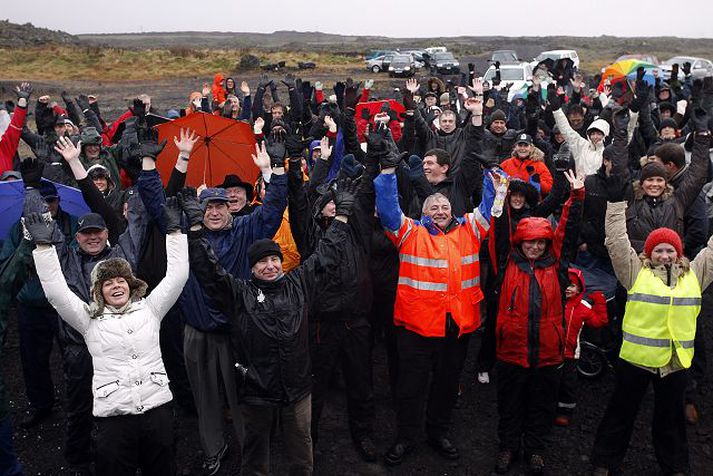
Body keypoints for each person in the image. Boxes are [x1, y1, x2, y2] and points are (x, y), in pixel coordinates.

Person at [185, 177, 358, 476]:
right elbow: (208, 272)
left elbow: (327, 254)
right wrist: (197, 230)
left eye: (274, 260)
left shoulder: (299, 283)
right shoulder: (239, 293)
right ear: (251, 269)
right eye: (262, 262)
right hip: (257, 390)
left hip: (298, 387)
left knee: (301, 451)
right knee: (255, 453)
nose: (270, 266)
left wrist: (341, 218)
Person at [26, 195, 188, 476]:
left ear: (131, 284)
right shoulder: (88, 320)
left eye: (121, 280)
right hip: (114, 419)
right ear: (98, 292)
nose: (115, 286)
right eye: (108, 283)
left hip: (157, 411)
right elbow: (56, 291)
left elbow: (177, 276)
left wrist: (175, 232)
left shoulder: (151, 309)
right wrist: (43, 247)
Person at [373, 133, 499, 465]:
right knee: (410, 388)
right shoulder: (409, 232)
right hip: (415, 328)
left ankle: (438, 432)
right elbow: (387, 210)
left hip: (456, 327)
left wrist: (491, 172)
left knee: (446, 386)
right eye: (435, 207)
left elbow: (489, 205)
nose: (441, 210)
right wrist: (387, 172)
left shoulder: (471, 229)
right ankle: (405, 436)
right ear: (425, 213)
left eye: (445, 206)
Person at [591, 146, 713, 475]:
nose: (663, 255)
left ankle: (675, 467)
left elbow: (712, 252)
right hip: (636, 360)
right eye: (657, 250)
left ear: (678, 252)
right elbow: (616, 242)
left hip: (674, 363)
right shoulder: (635, 273)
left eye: (669, 249)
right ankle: (603, 462)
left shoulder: (695, 275)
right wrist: (615, 205)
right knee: (621, 413)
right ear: (649, 253)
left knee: (670, 420)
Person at [491, 169, 584, 475]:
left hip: (547, 353)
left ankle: (535, 449)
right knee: (510, 404)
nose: (534, 247)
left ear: (546, 244)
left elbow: (567, 232)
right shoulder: (507, 262)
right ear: (521, 242)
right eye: (528, 242)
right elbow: (500, 227)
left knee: (541, 405)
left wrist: (577, 195)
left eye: (540, 243)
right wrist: (501, 194)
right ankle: (507, 446)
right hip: (511, 351)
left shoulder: (556, 266)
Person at [554, 268, 608, 427]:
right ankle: (546, 407)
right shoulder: (553, 300)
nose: (568, 288)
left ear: (579, 288)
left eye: (572, 285)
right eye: (565, 284)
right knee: (548, 381)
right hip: (549, 351)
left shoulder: (583, 306)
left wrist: (600, 302)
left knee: (567, 383)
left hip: (570, 354)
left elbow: (599, 322)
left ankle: (565, 411)